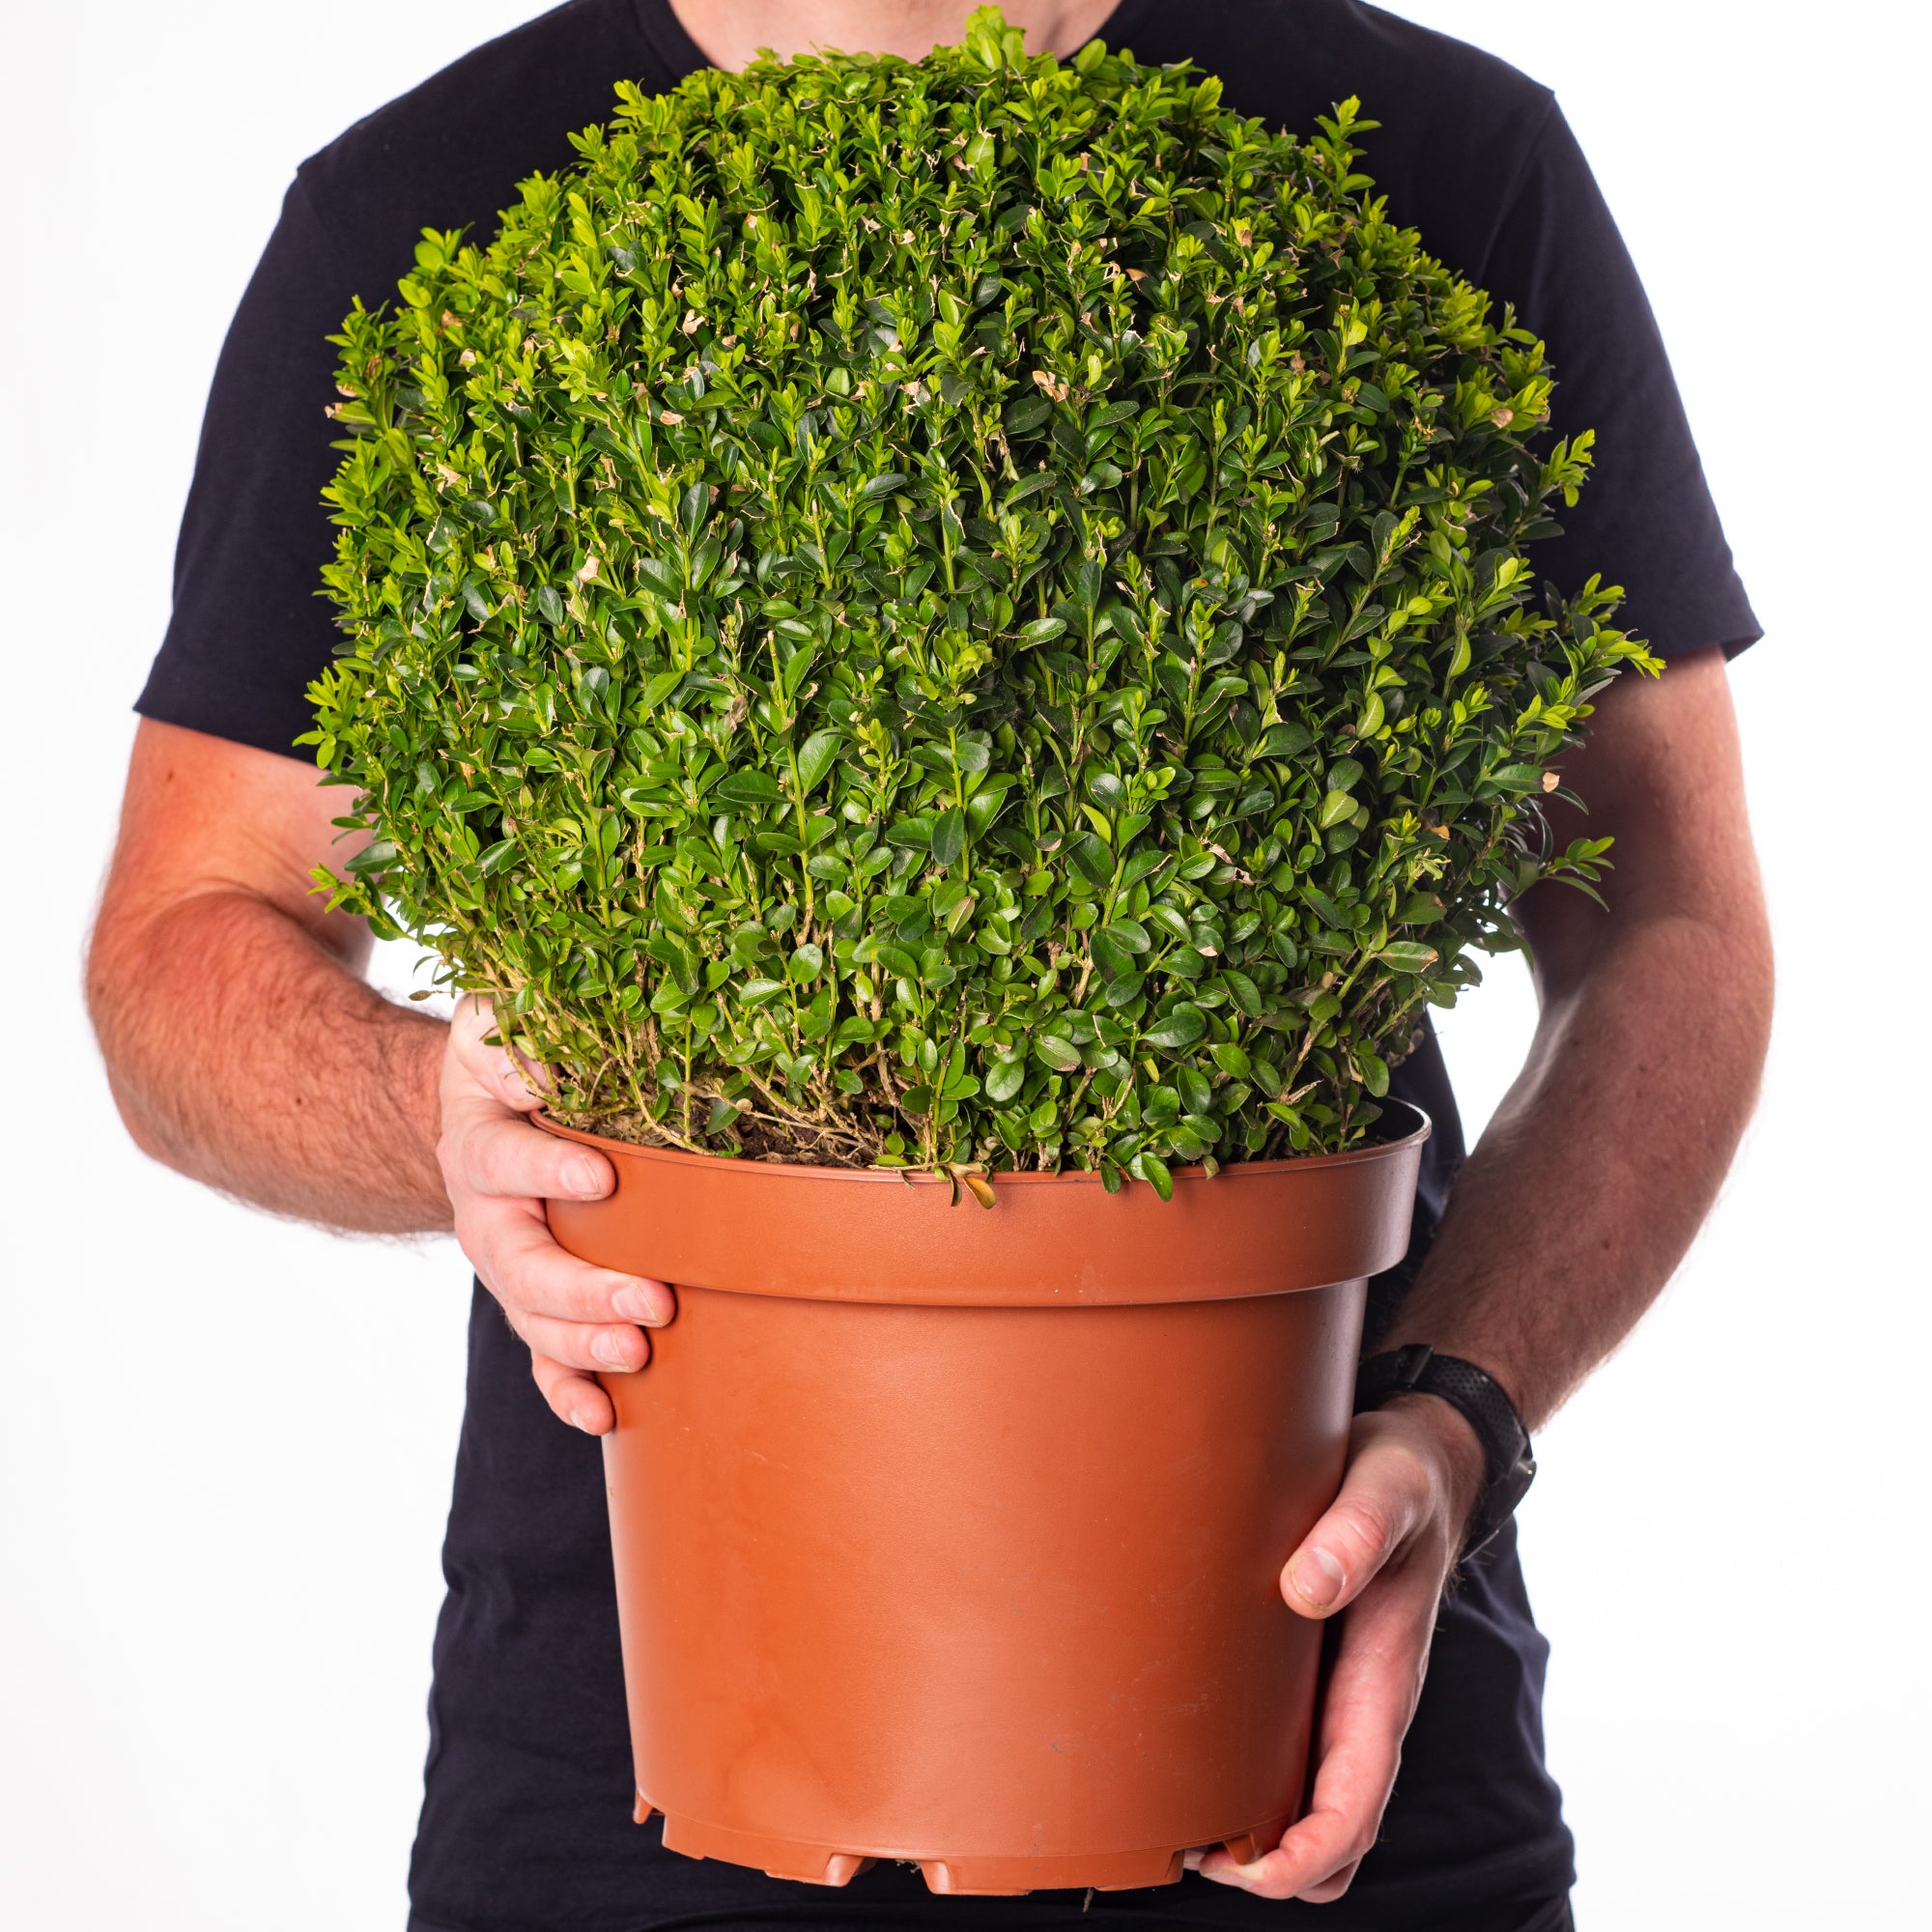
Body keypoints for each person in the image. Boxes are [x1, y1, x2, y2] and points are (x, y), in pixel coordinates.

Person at [86, 3, 1773, 1928]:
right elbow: (183, 947)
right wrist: (445, 1124)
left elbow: (1668, 923)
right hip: (654, 1728)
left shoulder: (1437, 154)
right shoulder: (425, 209)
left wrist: (1459, 1410)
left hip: (1321, 1669)